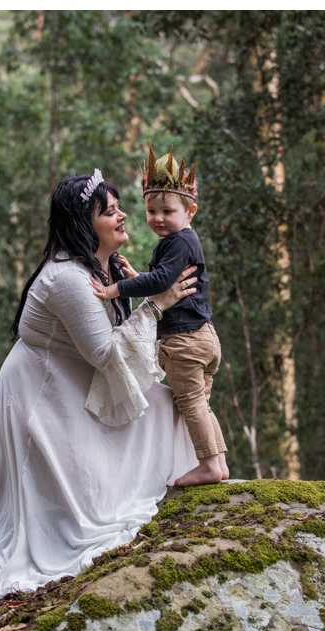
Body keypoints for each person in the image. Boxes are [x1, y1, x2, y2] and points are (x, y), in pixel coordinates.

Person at [0, 170, 200, 605]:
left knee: (170, 410)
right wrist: (159, 303)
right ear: (83, 223)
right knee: (83, 512)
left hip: (79, 381)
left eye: (118, 208)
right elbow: (106, 354)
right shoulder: (68, 279)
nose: (124, 216)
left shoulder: (106, 267)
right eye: (110, 211)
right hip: (42, 394)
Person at [92, 146, 228, 486]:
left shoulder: (178, 241)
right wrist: (135, 275)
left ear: (190, 210)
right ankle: (220, 465)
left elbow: (162, 282)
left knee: (191, 402)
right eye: (152, 210)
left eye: (167, 210)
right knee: (199, 403)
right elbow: (164, 282)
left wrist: (114, 290)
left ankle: (209, 465)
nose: (158, 218)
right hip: (204, 338)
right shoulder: (181, 242)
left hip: (184, 340)